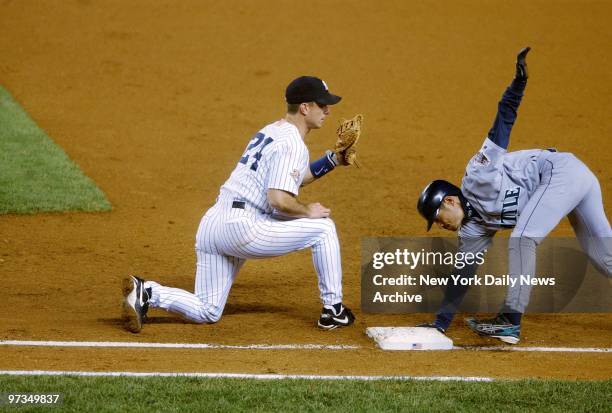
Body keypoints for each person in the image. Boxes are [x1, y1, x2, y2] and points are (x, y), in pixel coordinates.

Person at [122, 76, 356, 333]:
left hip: (213, 224)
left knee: (207, 310)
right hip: (243, 227)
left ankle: (148, 292)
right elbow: (278, 199)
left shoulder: (272, 131)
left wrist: (332, 160)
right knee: (323, 229)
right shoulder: (292, 144)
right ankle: (333, 310)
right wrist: (307, 211)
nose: (327, 110)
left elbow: (292, 179)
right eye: (321, 104)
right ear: (304, 107)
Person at [417, 48, 612, 344]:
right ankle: (508, 321)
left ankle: (510, 320)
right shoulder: (473, 230)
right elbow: (462, 275)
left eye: (437, 218)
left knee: (523, 238)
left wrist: (517, 85)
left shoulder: (477, 176)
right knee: (604, 258)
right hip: (572, 183)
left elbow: (502, 124)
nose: (440, 225)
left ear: (450, 201)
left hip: (563, 172)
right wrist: (440, 323)